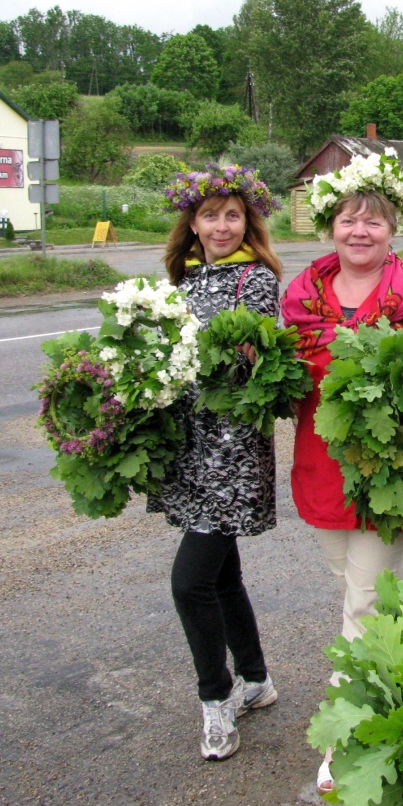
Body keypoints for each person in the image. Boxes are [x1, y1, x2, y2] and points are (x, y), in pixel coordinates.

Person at [279, 150, 403, 793]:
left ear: (393, 230)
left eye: (374, 222)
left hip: (391, 471)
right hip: (323, 465)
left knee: (365, 603)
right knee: (361, 593)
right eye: (349, 218)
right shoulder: (303, 294)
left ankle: (349, 738)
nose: (360, 231)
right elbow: (293, 364)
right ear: (331, 225)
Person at [150, 164, 283, 760]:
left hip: (231, 449)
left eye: (234, 215)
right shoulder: (179, 281)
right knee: (222, 575)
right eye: (211, 215)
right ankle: (256, 680)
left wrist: (249, 353)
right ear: (193, 224)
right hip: (189, 446)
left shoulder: (252, 281)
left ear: (247, 222)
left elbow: (252, 359)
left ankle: (216, 701)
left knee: (190, 582)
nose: (223, 226)